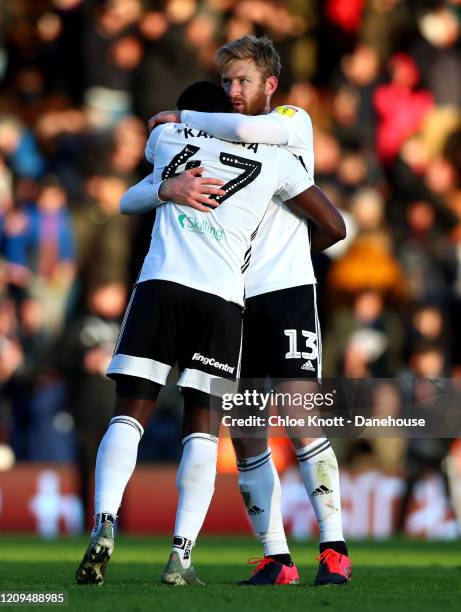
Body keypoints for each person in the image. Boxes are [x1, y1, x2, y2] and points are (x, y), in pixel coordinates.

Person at [75, 80, 345, 586]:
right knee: (203, 428)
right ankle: (181, 556)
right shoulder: (279, 158)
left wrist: (165, 184)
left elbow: (125, 201)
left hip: (160, 285)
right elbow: (333, 224)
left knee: (129, 411)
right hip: (224, 299)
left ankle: (104, 522)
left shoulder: (168, 142)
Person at [146, 35, 352, 586]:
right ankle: (277, 556)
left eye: (244, 81)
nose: (235, 92)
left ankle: (334, 547)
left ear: (271, 85)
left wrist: (288, 260)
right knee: (246, 426)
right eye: (228, 82)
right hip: (230, 293)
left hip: (284, 291)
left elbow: (333, 225)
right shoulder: (216, 138)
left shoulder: (291, 122)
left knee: (300, 415)